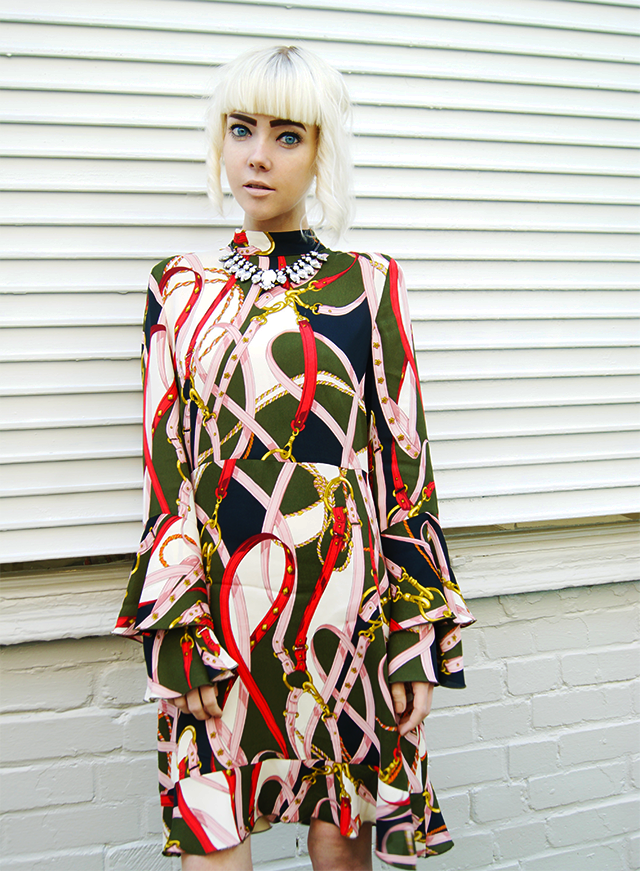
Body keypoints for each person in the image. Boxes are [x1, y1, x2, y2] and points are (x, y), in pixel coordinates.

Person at [114, 44, 475, 871]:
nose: (258, 155)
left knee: (340, 842)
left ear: (320, 152)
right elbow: (166, 470)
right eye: (241, 129)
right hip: (218, 612)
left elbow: (404, 464)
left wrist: (414, 637)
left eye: (287, 135)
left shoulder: (369, 284)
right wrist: (176, 625)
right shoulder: (179, 287)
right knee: (212, 831)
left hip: (343, 614)